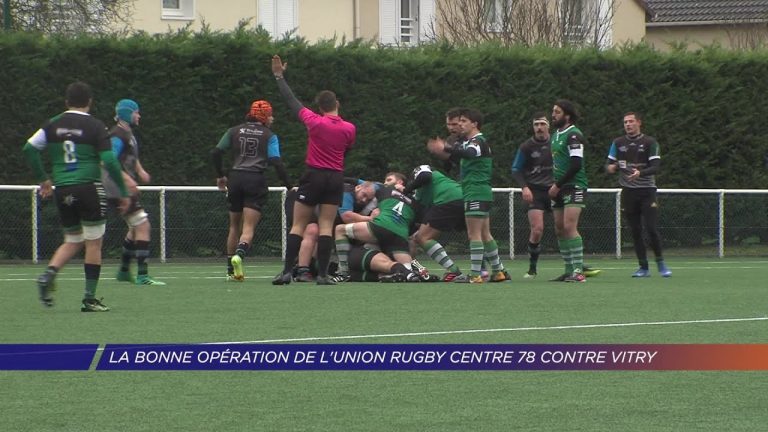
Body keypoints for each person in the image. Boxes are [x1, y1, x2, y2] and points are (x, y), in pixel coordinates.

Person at [22, 81, 129, 311]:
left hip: (62, 188)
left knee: (73, 239)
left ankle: (48, 275)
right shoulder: (96, 126)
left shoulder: (52, 124)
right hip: (88, 187)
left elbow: (29, 149)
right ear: (89, 102)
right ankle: (89, 299)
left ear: (66, 101)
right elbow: (109, 161)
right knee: (94, 243)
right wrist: (122, 191)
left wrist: (44, 179)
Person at [270, 55, 356, 286]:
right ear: (337, 103)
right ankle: (323, 276)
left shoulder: (314, 121)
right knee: (327, 225)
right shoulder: (349, 128)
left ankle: (287, 272)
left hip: (314, 174)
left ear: (320, 107)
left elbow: (291, 101)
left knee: (299, 224)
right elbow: (346, 151)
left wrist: (279, 76)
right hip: (335, 177)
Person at [210, 99, 292, 281]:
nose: (273, 118)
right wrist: (289, 185)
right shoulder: (269, 135)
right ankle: (240, 254)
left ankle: (231, 271)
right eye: (270, 115)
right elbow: (276, 162)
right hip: (255, 179)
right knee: (248, 227)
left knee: (233, 226)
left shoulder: (234, 131)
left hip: (236, 178)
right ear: (264, 117)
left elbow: (216, 152)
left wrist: (220, 175)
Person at [440, 108, 510, 283]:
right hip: (479, 191)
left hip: (476, 191)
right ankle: (498, 272)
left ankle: (475, 274)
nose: (460, 124)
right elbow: (458, 158)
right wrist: (447, 152)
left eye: (464, 121)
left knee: (474, 235)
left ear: (474, 124)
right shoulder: (469, 142)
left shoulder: (478, 142)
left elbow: (470, 153)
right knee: (486, 235)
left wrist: (447, 147)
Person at [103, 99, 165, 286]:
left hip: (119, 185)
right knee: (143, 225)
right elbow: (109, 160)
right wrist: (128, 180)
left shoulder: (126, 133)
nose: (139, 115)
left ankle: (123, 271)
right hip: (116, 187)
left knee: (135, 227)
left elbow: (129, 156)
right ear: (127, 114)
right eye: (136, 112)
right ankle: (142, 275)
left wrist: (139, 170)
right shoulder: (118, 134)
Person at [606, 112, 671, 278]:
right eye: (625, 122)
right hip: (628, 192)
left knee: (651, 229)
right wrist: (611, 168)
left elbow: (656, 167)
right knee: (635, 230)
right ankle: (643, 267)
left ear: (639, 123)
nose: (628, 124)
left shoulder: (650, 142)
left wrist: (640, 173)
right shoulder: (618, 142)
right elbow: (608, 164)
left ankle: (661, 263)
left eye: (631, 121)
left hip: (647, 191)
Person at [334, 186, 420, 280]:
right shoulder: (416, 204)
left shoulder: (385, 189)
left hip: (381, 227)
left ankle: (343, 272)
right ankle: (411, 273)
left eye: (388, 179)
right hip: (401, 235)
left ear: (399, 182)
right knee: (408, 269)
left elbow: (369, 187)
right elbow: (413, 234)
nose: (385, 182)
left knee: (340, 229)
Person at [399, 165, 466, 281]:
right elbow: (423, 213)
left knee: (423, 237)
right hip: (462, 198)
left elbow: (425, 176)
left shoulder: (420, 172)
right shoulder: (421, 193)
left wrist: (405, 190)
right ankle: (494, 270)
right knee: (475, 235)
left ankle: (454, 271)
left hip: (447, 199)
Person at [548, 99, 588, 283]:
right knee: (559, 228)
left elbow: (576, 164)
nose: (553, 115)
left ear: (567, 115)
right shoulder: (555, 135)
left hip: (574, 186)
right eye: (553, 111)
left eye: (557, 112)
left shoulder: (574, 135)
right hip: (559, 187)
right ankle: (568, 269)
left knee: (570, 226)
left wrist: (557, 185)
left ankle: (579, 271)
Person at [511, 112, 554, 278]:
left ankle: (574, 267)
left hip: (555, 190)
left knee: (565, 229)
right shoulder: (526, 146)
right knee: (537, 229)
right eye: (536, 124)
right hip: (535, 191)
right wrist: (524, 187)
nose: (539, 128)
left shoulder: (557, 143)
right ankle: (532, 268)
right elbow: (516, 169)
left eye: (542, 124)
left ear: (548, 126)